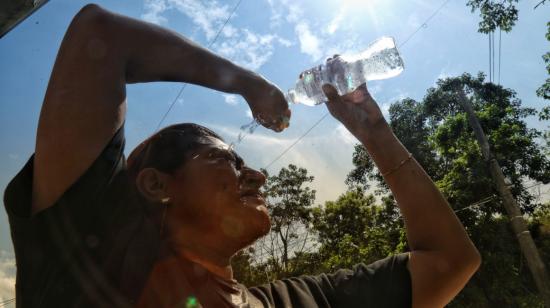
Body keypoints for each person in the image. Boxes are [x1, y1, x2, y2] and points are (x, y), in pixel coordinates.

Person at [3, 3, 481, 307]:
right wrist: (246, 83)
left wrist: (374, 132)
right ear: (156, 185)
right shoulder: (92, 268)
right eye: (224, 161)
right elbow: (101, 37)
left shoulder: (298, 300)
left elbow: (450, 260)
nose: (256, 176)